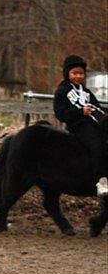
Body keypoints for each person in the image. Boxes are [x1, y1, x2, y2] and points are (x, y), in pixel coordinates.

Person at [53, 54, 108, 196]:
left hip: (93, 123)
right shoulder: (62, 91)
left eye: (81, 73)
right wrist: (80, 112)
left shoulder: (86, 92)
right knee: (96, 145)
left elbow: (97, 108)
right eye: (74, 73)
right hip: (78, 125)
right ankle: (101, 180)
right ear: (67, 73)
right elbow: (60, 113)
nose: (78, 76)